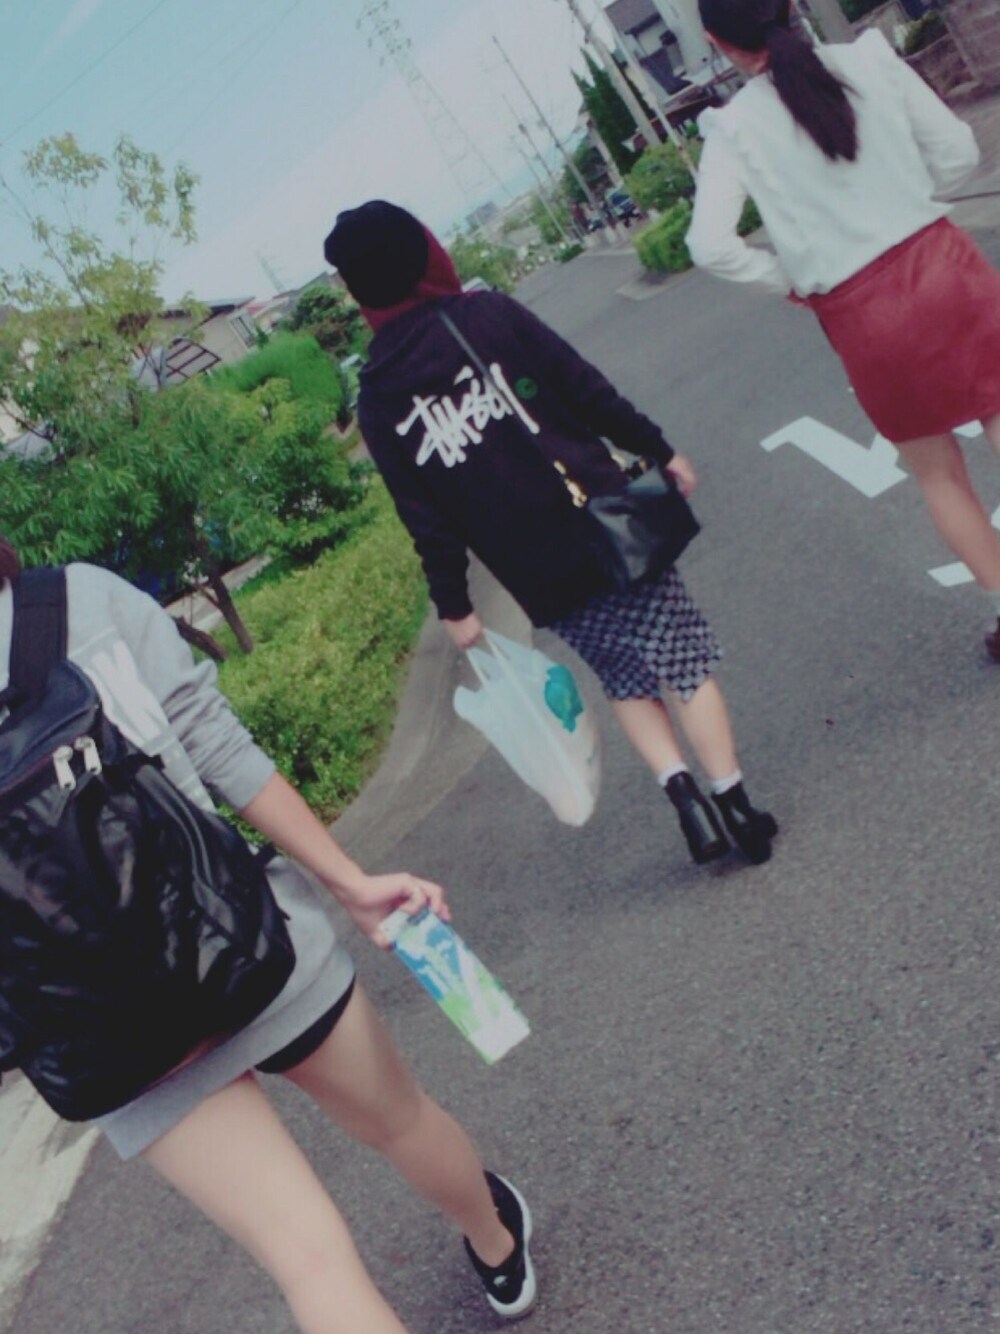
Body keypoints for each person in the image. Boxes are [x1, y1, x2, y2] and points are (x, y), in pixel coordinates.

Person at [0, 538, 535, 1333]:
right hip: (243, 932)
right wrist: (349, 882)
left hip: (105, 1033)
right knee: (402, 1121)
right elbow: (213, 742)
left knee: (310, 1263)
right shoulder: (79, 598)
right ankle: (497, 1246)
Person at [323, 201, 777, 867]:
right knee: (683, 661)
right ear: (420, 254)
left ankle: (686, 803)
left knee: (623, 676)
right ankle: (734, 802)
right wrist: (656, 448)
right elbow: (585, 391)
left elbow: (423, 515)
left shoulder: (378, 398)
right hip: (605, 524)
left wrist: (454, 604)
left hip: (536, 569)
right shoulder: (486, 316)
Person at [685, 0, 1000, 663]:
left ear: (717, 42)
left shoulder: (732, 128)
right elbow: (957, 152)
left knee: (940, 476)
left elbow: (709, 245)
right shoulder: (868, 61)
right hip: (944, 265)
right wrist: (913, 199)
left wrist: (791, 280)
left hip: (863, 313)